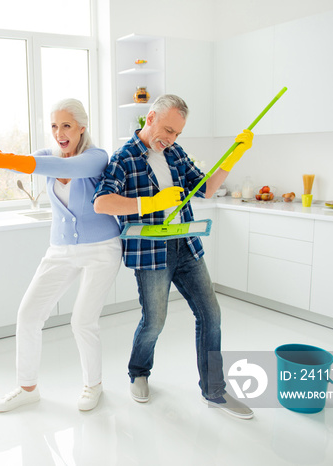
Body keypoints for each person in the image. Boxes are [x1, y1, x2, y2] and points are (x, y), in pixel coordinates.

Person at [93, 94, 255, 420]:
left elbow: (206, 189)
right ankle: (138, 371)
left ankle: (214, 391)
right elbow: (102, 203)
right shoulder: (124, 158)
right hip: (152, 254)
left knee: (211, 315)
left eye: (177, 134)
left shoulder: (175, 153)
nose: (170, 139)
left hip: (186, 247)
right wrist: (148, 204)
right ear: (149, 118)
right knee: (155, 321)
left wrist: (232, 157)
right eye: (167, 129)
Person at [0, 98, 122, 412]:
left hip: (102, 248)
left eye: (66, 125)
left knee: (82, 321)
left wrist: (2, 158)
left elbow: (65, 168)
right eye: (54, 125)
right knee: (28, 315)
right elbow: (33, 162)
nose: (59, 132)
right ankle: (27, 388)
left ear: (82, 127)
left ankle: (93, 386)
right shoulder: (46, 156)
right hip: (61, 249)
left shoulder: (96, 157)